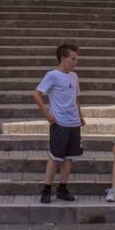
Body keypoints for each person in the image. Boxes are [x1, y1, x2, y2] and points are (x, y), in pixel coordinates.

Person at [33, 42, 85, 204]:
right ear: (63, 58)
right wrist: (47, 114)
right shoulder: (52, 75)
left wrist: (81, 115)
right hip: (60, 123)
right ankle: (46, 189)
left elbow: (75, 98)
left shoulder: (74, 76)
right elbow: (36, 94)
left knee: (69, 158)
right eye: (73, 58)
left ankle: (63, 188)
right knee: (55, 157)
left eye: (77, 58)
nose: (76, 61)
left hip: (73, 122)